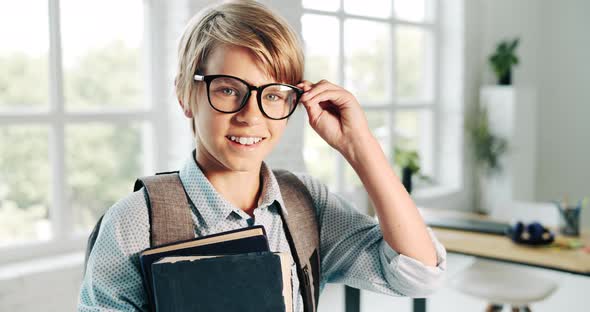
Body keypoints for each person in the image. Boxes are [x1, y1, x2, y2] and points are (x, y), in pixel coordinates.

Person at [77, 1, 446, 311]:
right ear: (185, 95)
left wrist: (359, 146)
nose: (250, 114)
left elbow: (418, 273)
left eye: (272, 94)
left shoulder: (303, 205)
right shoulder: (133, 223)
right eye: (227, 90)